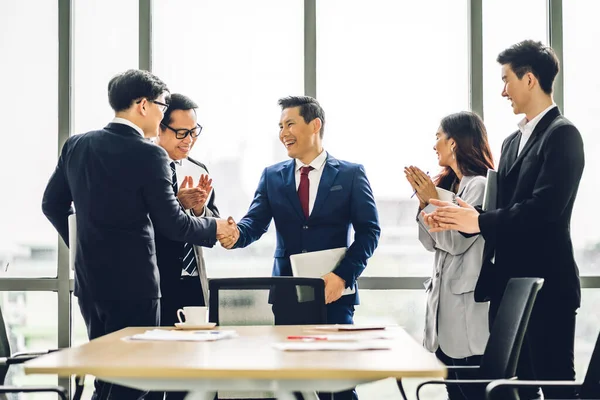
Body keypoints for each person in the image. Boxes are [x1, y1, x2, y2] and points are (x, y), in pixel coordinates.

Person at [42, 69, 236, 400]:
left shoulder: (77, 145)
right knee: (134, 380)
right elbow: (173, 225)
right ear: (143, 106)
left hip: (92, 285)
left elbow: (52, 204)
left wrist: (84, 248)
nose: (162, 113)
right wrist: (215, 227)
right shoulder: (150, 154)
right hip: (135, 286)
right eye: (161, 106)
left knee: (107, 375)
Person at [423, 40, 585, 400]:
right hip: (510, 291)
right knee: (518, 390)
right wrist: (462, 217)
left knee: (556, 386)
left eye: (506, 79)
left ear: (529, 80)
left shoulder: (564, 135)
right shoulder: (512, 142)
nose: (502, 91)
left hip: (549, 288)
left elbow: (544, 210)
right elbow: (503, 209)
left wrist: (477, 222)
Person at [219, 95, 380, 400]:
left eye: (290, 124)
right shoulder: (271, 176)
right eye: (280, 126)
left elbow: (369, 232)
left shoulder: (350, 174)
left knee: (339, 384)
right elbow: (254, 224)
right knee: (292, 382)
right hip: (288, 293)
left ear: (315, 124)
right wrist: (233, 235)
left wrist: (342, 277)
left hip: (335, 293)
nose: (283, 133)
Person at [405, 111, 493, 400]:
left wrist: (432, 201)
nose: (435, 145)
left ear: (453, 143)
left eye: (438, 137)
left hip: (465, 314)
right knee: (453, 392)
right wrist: (427, 201)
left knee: (469, 392)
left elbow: (455, 242)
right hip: (446, 314)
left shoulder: (478, 185)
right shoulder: (452, 185)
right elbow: (430, 242)